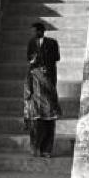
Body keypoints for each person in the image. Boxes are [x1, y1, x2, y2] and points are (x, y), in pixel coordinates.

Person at [25, 22, 61, 158]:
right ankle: (35, 148)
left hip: (48, 83)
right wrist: (33, 62)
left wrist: (45, 62)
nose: (33, 33)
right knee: (36, 120)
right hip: (35, 83)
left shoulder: (52, 43)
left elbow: (57, 57)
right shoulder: (31, 43)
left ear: (42, 31)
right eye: (32, 31)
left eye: (35, 31)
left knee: (49, 119)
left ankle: (47, 149)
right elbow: (28, 59)